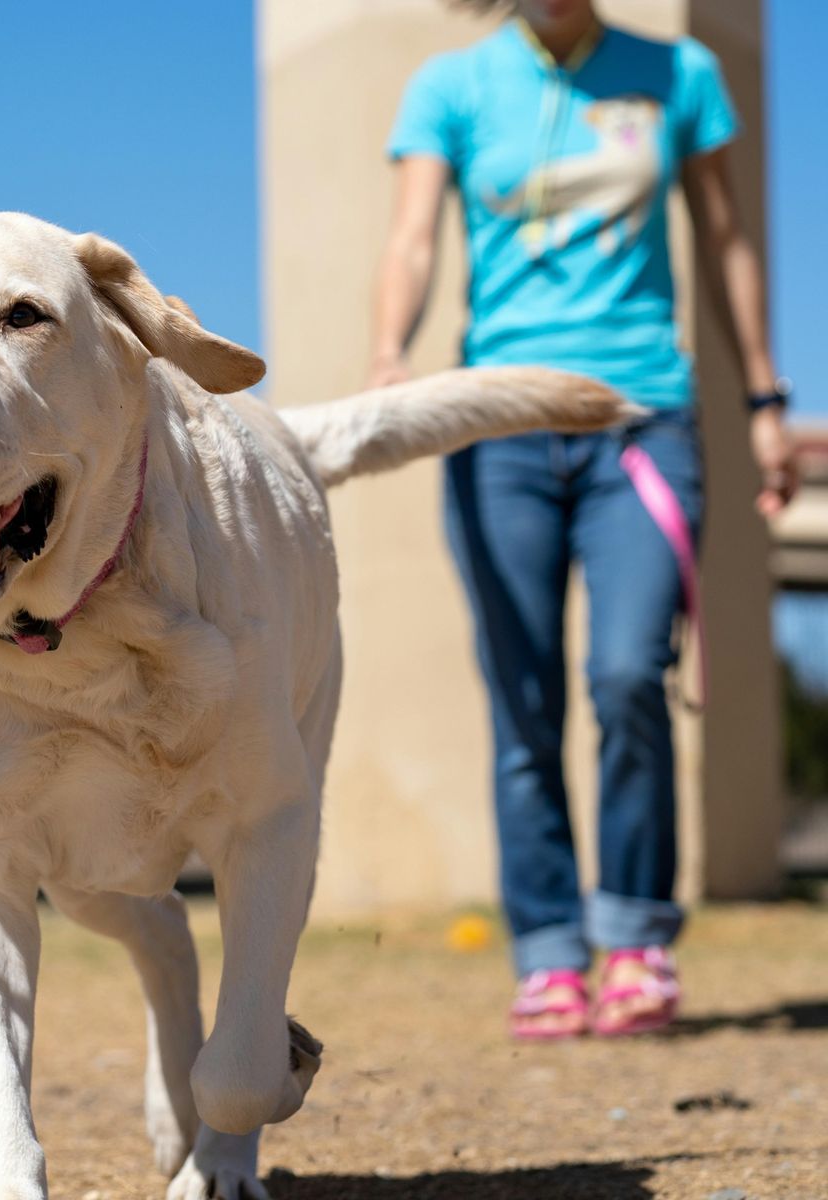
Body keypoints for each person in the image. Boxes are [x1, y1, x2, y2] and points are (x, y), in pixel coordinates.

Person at [369, 0, 797, 1037]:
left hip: (640, 419)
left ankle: (638, 935)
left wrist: (766, 399)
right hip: (501, 423)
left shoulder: (677, 72)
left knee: (625, 672)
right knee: (524, 704)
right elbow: (415, 237)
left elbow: (726, 240)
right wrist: (391, 356)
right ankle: (552, 953)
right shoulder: (454, 87)